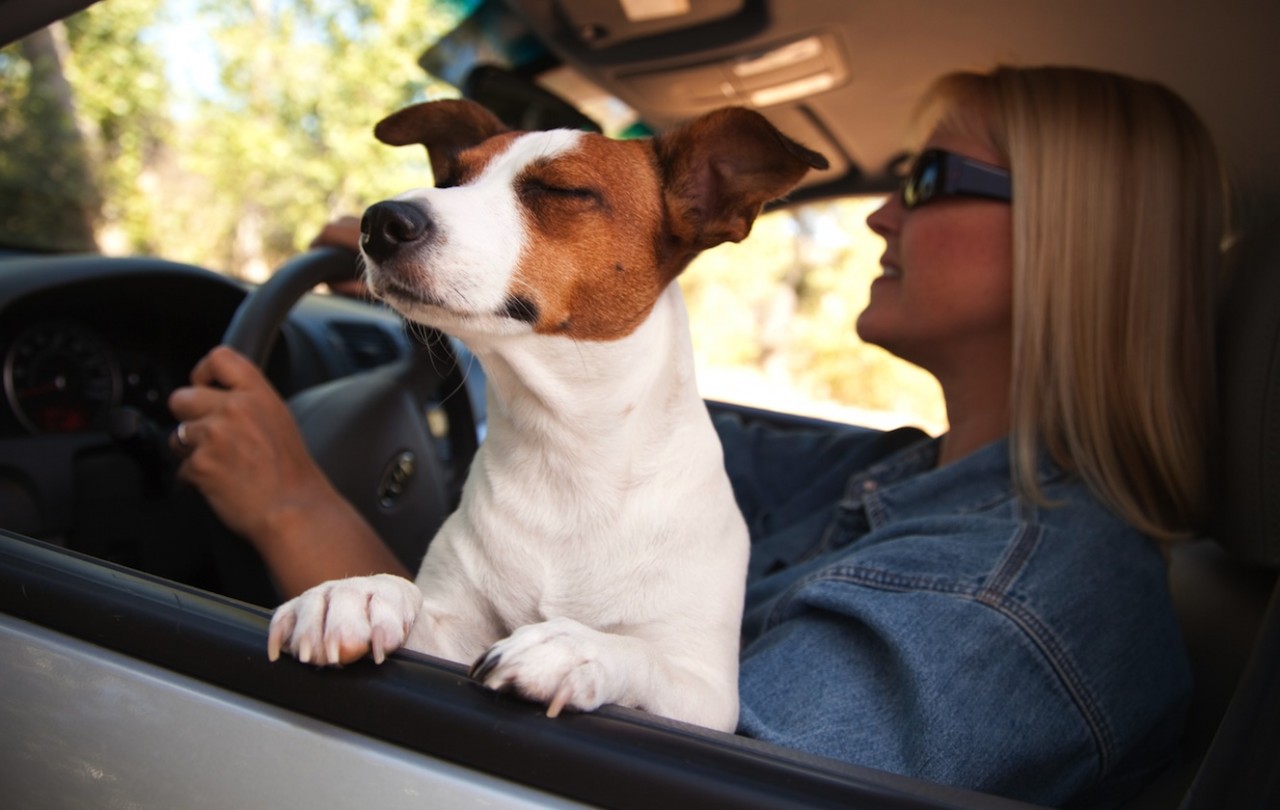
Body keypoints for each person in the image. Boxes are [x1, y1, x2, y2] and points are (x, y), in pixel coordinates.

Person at [167, 65, 1228, 807]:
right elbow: (591, 418)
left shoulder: (999, 602)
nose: (876, 217)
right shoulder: (895, 473)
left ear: (1075, 243)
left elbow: (602, 788)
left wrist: (298, 509)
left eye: (924, 180)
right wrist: (447, 259)